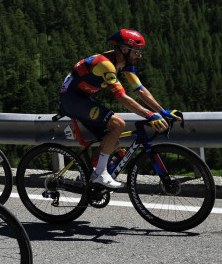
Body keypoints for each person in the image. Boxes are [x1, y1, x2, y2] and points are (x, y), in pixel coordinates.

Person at [59, 29, 178, 189]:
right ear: (124, 49)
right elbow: (121, 98)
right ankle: (100, 173)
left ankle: (86, 177)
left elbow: (140, 90)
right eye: (136, 51)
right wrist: (149, 115)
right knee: (118, 123)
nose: (140, 56)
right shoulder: (106, 64)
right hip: (71, 99)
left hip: (83, 98)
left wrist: (161, 111)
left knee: (112, 142)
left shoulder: (124, 63)